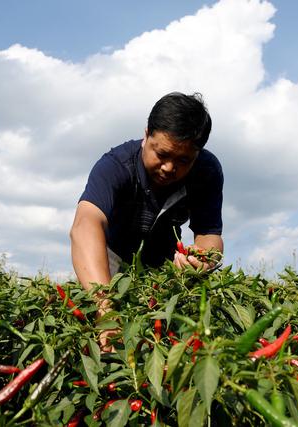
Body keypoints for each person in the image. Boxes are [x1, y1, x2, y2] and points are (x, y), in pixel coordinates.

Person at [70, 92, 223, 349]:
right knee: (97, 338)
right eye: (161, 154)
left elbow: (210, 234)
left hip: (161, 263)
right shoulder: (116, 165)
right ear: (146, 135)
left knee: (160, 340)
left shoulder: (207, 171)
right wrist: (104, 305)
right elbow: (85, 225)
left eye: (183, 160)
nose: (168, 168)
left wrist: (203, 257)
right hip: (109, 257)